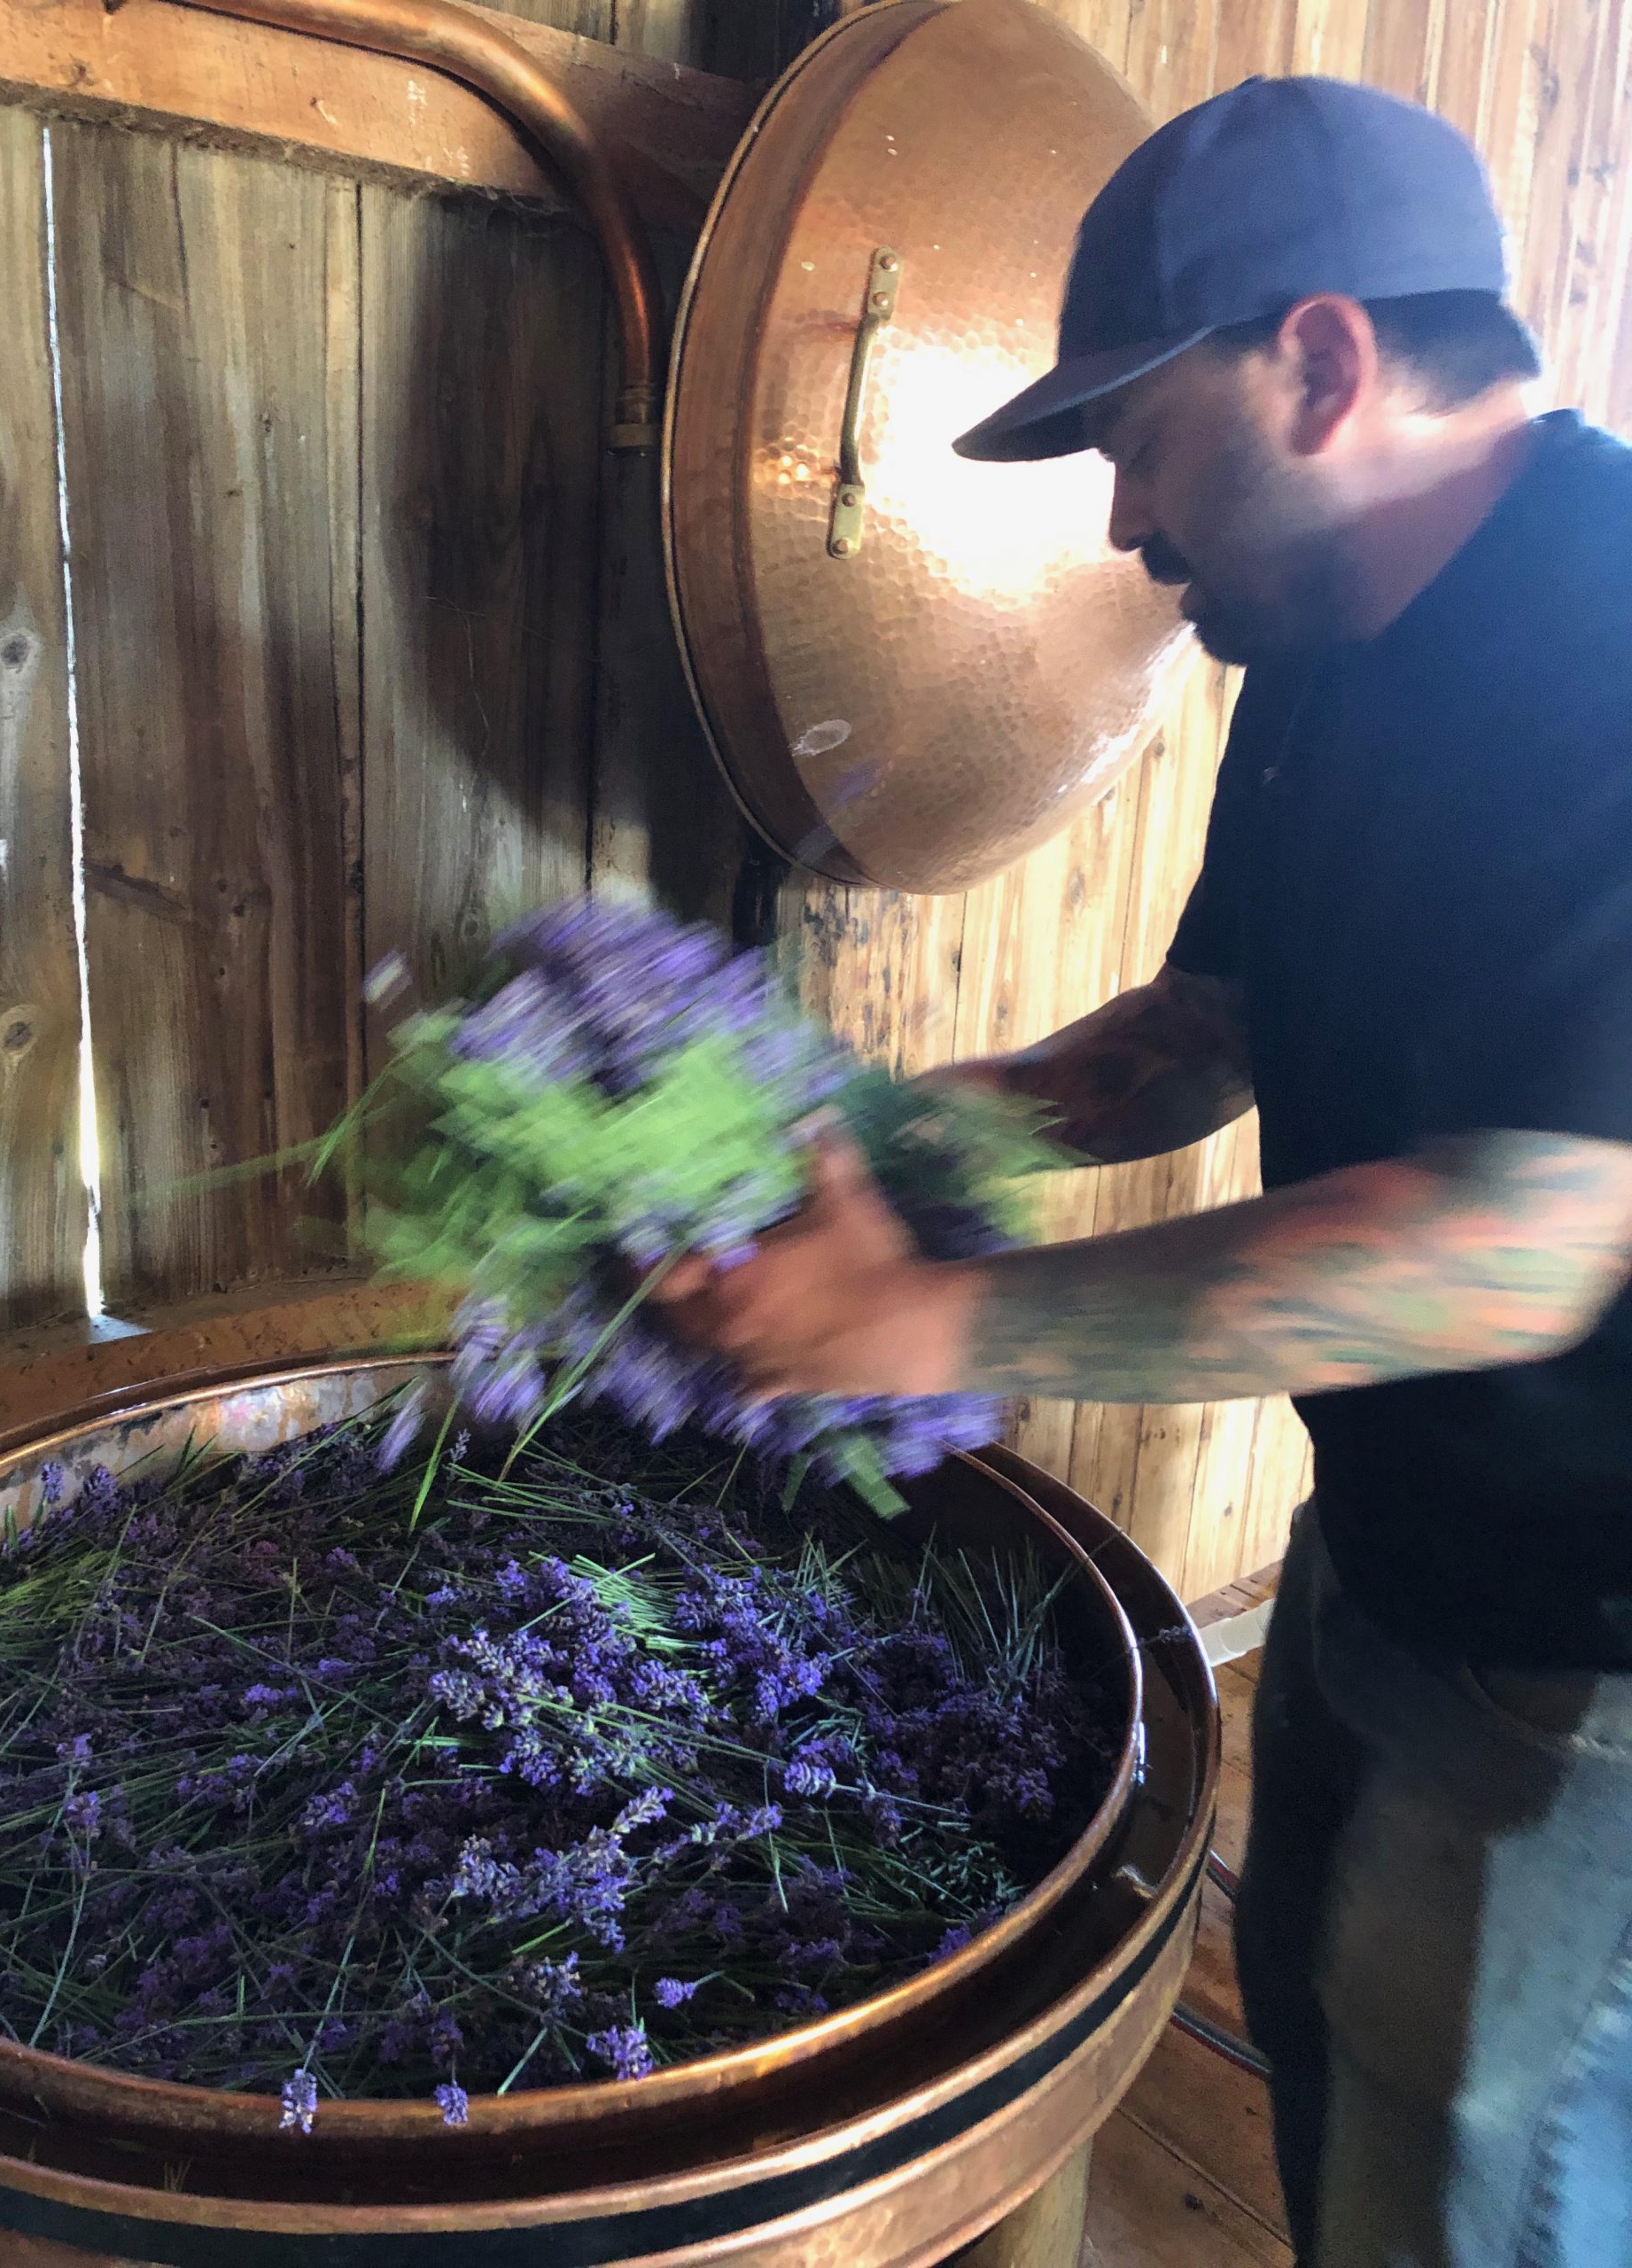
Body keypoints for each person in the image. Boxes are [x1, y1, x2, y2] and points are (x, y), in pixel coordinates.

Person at [655, 75, 1632, 2268]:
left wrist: (928, 1322)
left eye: (1135, 439)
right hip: (1392, 1551)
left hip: (1597, 1666)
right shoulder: (1324, 663)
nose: (1120, 525)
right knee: (1323, 2061)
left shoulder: (1606, 645)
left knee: (1479, 2187)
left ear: (1320, 360)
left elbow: (1522, 1238)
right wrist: (893, 1140)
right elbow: (1210, 1031)